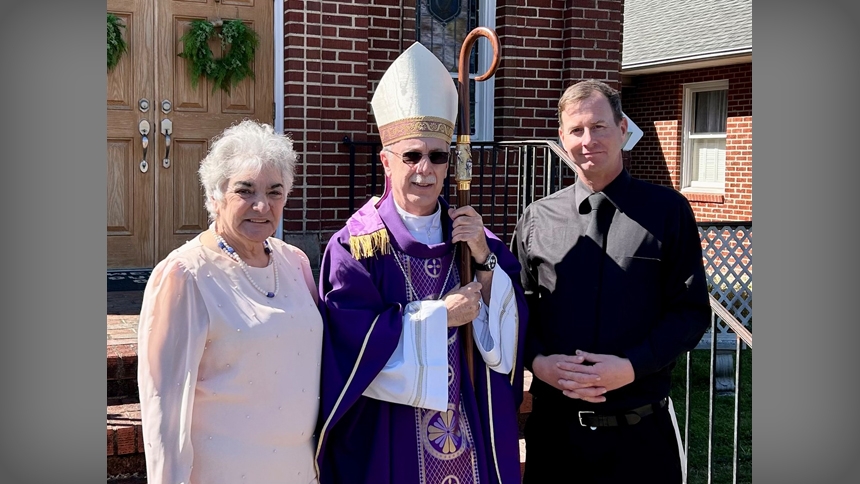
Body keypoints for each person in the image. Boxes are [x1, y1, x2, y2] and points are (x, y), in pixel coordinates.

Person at [314, 42, 528, 484]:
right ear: (386, 162)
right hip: (391, 432)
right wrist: (440, 317)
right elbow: (348, 343)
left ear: (452, 163)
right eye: (412, 155)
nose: (424, 169)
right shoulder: (357, 246)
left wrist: (485, 261)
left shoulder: (474, 238)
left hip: (466, 418)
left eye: (437, 156)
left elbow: (508, 337)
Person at [512, 79, 711, 483]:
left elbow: (689, 314)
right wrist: (537, 362)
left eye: (600, 126)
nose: (589, 139)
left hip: (639, 438)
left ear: (623, 130)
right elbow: (517, 310)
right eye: (577, 130)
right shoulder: (537, 218)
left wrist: (632, 366)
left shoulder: (668, 212)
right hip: (556, 438)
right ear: (563, 138)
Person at [137, 120, 322, 484]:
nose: (261, 205)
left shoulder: (295, 262)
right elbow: (165, 409)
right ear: (216, 195)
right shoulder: (184, 275)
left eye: (275, 192)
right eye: (245, 190)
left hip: (296, 471)